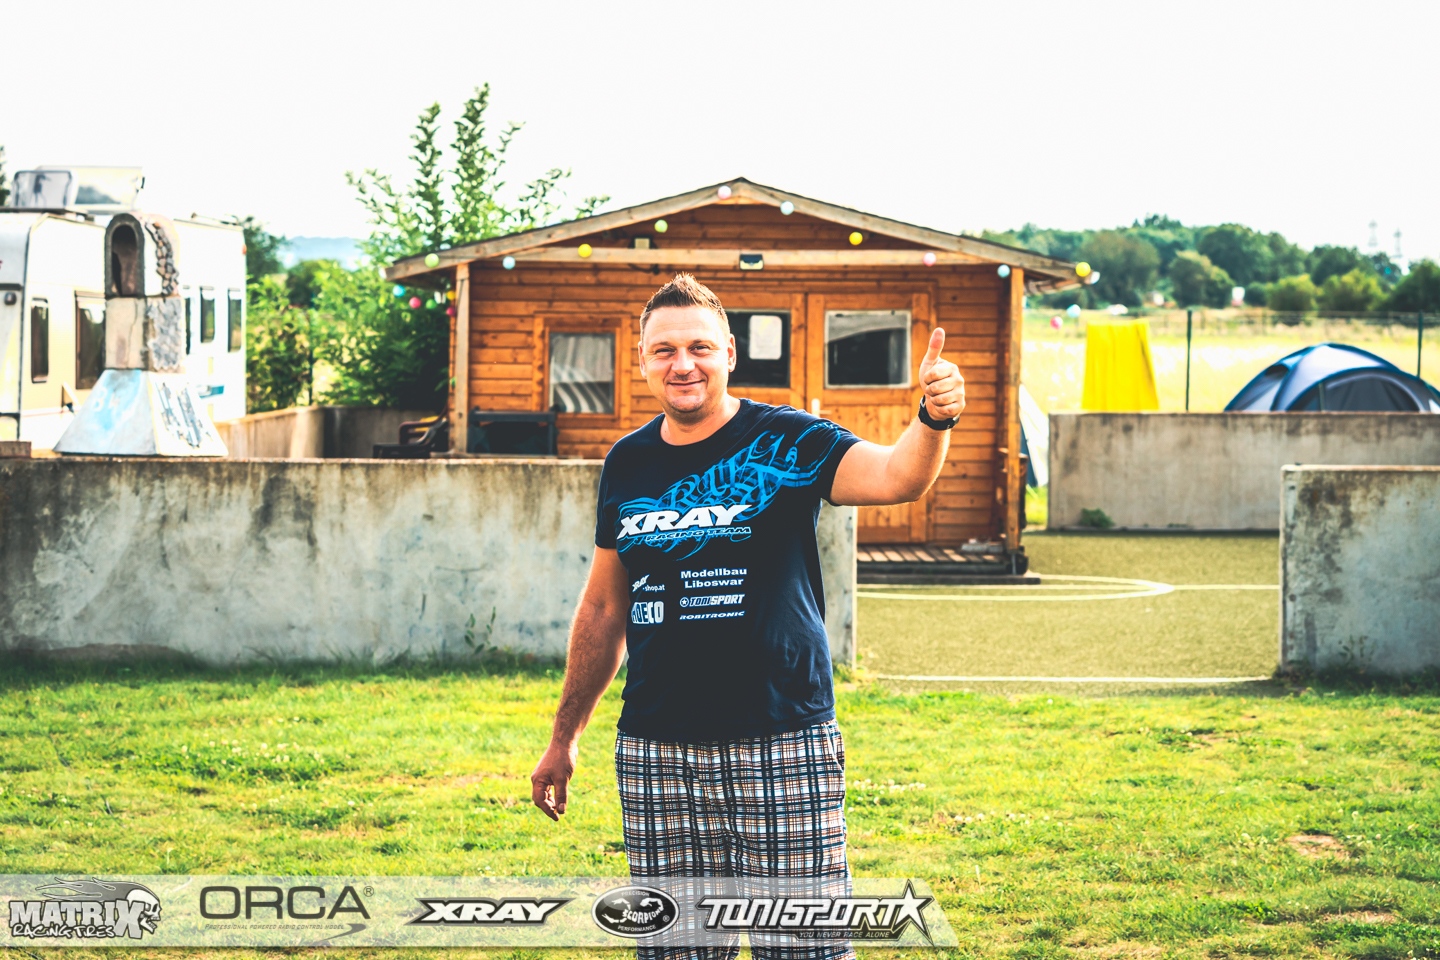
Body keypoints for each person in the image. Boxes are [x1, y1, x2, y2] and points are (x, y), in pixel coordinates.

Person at [530, 274, 964, 959]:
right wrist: (564, 737)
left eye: (699, 347)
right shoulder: (628, 462)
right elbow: (605, 607)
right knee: (676, 950)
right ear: (642, 361)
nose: (683, 364)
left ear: (730, 353)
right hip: (658, 752)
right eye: (664, 350)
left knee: (803, 948)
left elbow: (897, 476)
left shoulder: (787, 440)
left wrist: (933, 419)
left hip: (782, 740)